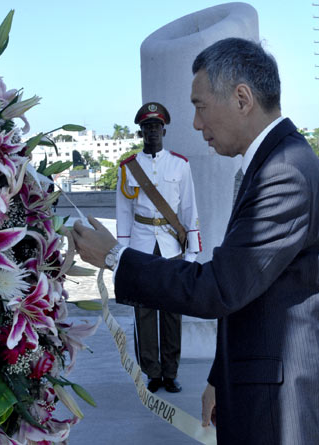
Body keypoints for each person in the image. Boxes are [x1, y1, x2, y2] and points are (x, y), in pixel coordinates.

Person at [72, 37, 319, 444]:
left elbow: (218, 287)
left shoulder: (284, 173)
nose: (196, 123)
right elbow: (250, 289)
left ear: (242, 99)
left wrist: (116, 256)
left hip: (290, 410)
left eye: (200, 106)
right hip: (265, 392)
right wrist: (221, 375)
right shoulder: (273, 162)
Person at [116, 102, 201, 393]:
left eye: (156, 127)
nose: (152, 132)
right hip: (140, 245)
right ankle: (152, 372)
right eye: (147, 127)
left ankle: (171, 371)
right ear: (141, 132)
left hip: (170, 245)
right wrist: (122, 255)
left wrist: (192, 253)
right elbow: (124, 212)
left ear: (164, 129)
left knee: (171, 311)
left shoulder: (180, 164)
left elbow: (189, 207)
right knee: (144, 312)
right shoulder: (128, 168)